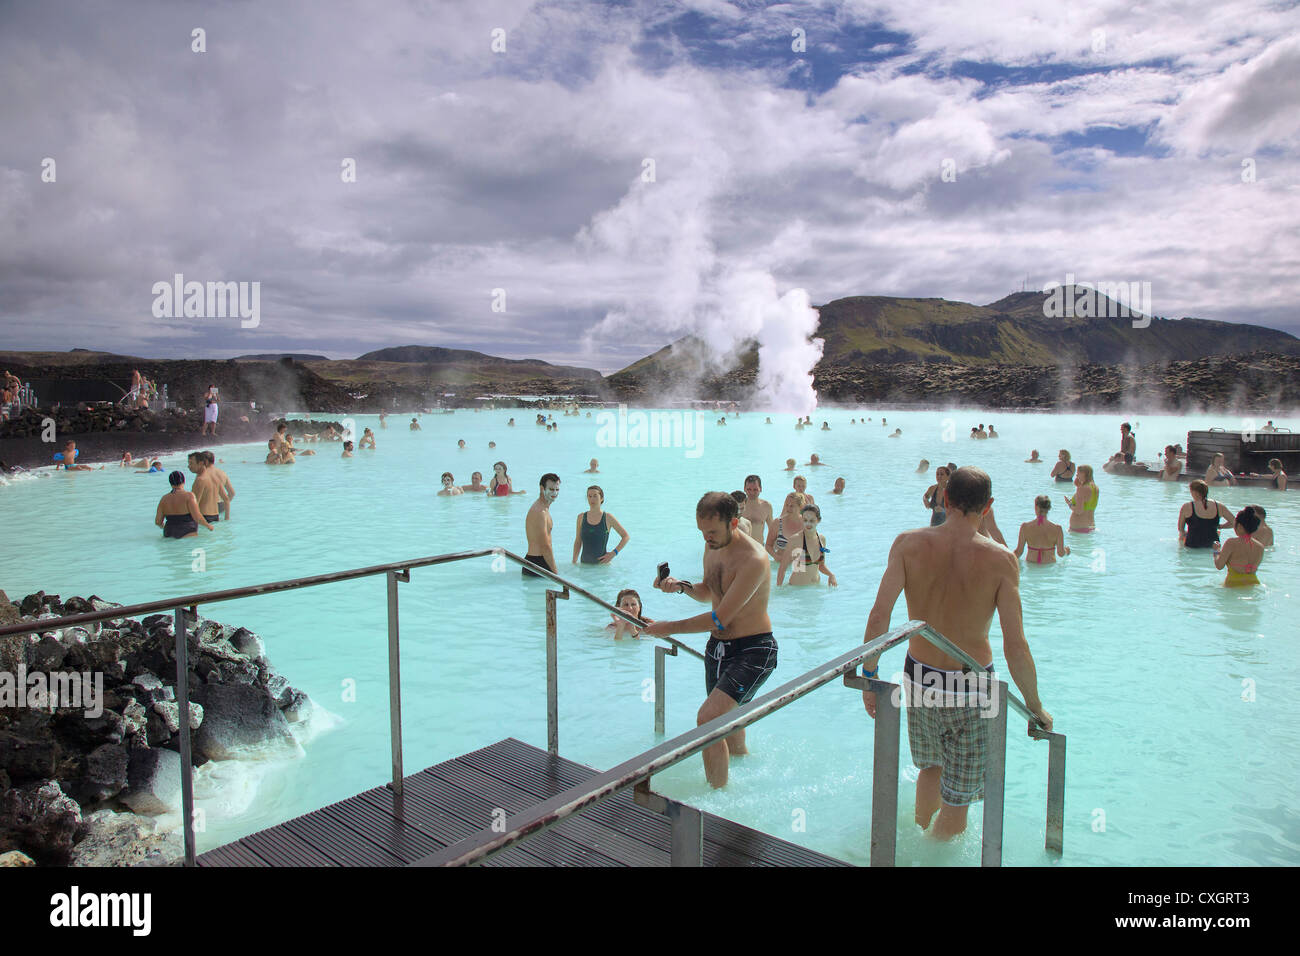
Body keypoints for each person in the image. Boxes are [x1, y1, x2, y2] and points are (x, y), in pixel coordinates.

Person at [859, 466, 1052, 839]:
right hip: (972, 686)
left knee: (930, 768)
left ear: (944, 498)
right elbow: (1016, 645)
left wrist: (869, 676)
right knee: (959, 799)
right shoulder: (1001, 560)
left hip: (918, 676)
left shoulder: (907, 544)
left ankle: (916, 844)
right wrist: (1035, 706)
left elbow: (880, 614)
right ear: (989, 506)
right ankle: (933, 857)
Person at [643, 492, 777, 789]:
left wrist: (669, 628)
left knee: (708, 720)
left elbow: (720, 617)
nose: (707, 539)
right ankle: (744, 776)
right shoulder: (712, 547)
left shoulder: (754, 559)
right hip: (719, 650)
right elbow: (709, 592)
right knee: (727, 724)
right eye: (702, 532)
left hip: (754, 650)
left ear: (733, 523)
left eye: (713, 532)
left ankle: (717, 801)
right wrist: (680, 586)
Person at [779, 504, 837, 587]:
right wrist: (779, 590)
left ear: (818, 520)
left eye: (812, 521)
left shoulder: (822, 539)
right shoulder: (795, 539)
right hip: (796, 590)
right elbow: (782, 568)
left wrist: (831, 575)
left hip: (815, 589)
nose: (808, 524)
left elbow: (821, 565)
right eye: (805, 520)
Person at [572, 486, 630, 564]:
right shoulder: (581, 517)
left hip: (602, 568)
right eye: (589, 496)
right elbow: (578, 541)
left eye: (595, 496)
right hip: (584, 567)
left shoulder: (608, 518)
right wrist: (574, 562)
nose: (592, 499)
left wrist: (613, 553)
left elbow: (625, 536)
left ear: (602, 498)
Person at [1215, 508, 1265, 587]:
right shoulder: (1260, 547)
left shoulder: (1231, 543)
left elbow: (1219, 566)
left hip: (1233, 584)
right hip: (1253, 583)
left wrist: (1216, 551)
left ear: (1239, 526)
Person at [522, 473, 561, 577]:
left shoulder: (543, 508)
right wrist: (556, 574)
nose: (554, 493)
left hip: (536, 563)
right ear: (541, 488)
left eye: (557, 490)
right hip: (537, 563)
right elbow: (545, 546)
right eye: (551, 489)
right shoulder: (540, 512)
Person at [155, 471, 214, 538]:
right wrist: (208, 526)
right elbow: (197, 517)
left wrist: (163, 526)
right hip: (187, 531)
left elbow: (158, 521)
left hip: (168, 532)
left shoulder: (164, 499)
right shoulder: (189, 496)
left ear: (170, 483)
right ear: (184, 481)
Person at [1014, 495, 1070, 565]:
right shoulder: (1057, 529)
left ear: (1036, 507)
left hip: (1031, 566)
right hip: (1049, 566)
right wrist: (1067, 551)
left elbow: (1018, 552)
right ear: (1049, 508)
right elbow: (1061, 553)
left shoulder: (1025, 527)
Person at [1178, 480, 1232, 548]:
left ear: (1194, 492)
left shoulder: (1187, 507)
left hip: (1192, 546)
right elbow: (1234, 523)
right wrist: (1220, 526)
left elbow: (1180, 529)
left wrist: (1184, 534)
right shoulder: (1219, 506)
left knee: (1181, 538)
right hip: (1212, 546)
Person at [187, 452, 226, 524]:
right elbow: (226, 499)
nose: (188, 466)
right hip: (216, 516)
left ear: (201, 463)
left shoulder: (200, 480)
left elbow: (194, 505)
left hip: (204, 518)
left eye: (191, 463)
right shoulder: (215, 478)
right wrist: (227, 519)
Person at [740, 475, 775, 548]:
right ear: (744, 489)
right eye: (749, 489)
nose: (752, 493)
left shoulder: (766, 506)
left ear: (760, 489)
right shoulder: (738, 507)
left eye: (755, 489)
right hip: (741, 549)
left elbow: (772, 530)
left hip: (759, 548)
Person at [1064, 465, 1099, 532]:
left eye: (1078, 473)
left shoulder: (1082, 489)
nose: (1076, 476)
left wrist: (1069, 504)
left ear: (1084, 474)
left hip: (1079, 527)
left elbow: (1079, 511)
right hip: (1091, 526)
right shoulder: (1095, 488)